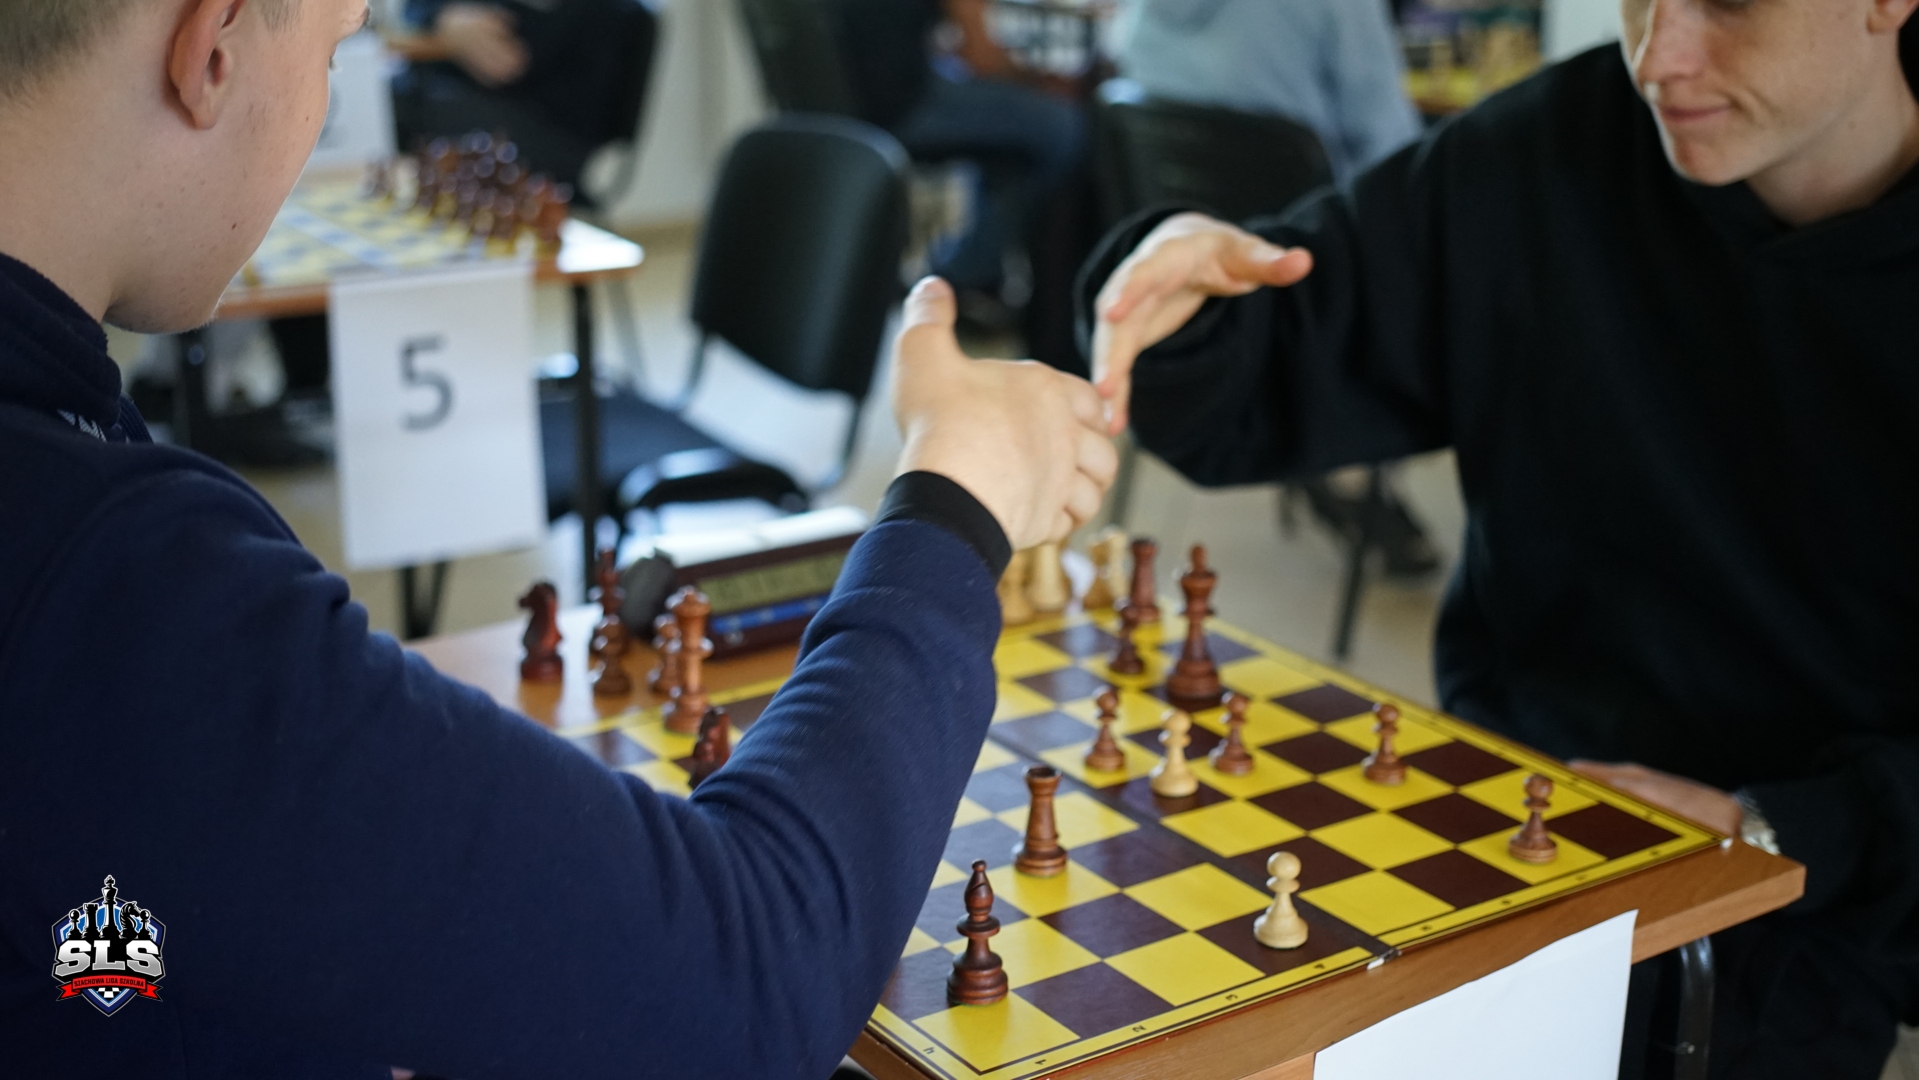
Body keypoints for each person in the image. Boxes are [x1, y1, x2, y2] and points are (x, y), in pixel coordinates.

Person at [0, 1, 1116, 1076]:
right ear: (213, 46)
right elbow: (755, 978)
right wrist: (955, 500)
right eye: (337, 49)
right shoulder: (112, 574)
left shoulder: (79, 477)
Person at [1081, 0, 1919, 1076]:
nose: (1656, 56)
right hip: (1506, 812)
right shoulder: (1545, 148)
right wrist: (1173, 291)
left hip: (1819, 894)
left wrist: (1782, 825)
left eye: (1727, 2)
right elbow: (1265, 362)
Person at [1114, 0, 1440, 577]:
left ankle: (1337, 460)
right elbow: (1394, 150)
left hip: (1182, 285)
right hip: (1309, 274)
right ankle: (1350, 463)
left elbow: (1123, 64)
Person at [829, 0, 1089, 355]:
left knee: (1009, 141)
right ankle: (1018, 297)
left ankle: (972, 275)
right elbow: (983, 59)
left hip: (847, 94)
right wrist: (1043, 80)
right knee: (1065, 129)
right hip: (901, 104)